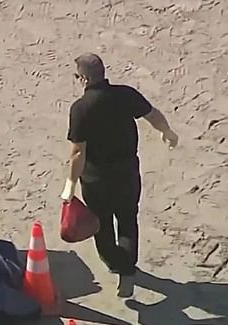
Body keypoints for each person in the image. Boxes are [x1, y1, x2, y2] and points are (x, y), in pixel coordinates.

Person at [60, 53, 179, 298]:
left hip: (96, 179)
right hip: (126, 172)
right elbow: (152, 114)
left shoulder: (81, 109)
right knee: (127, 220)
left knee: (101, 226)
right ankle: (127, 272)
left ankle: (115, 262)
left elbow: (78, 152)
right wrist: (166, 131)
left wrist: (70, 184)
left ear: (83, 78)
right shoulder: (125, 95)